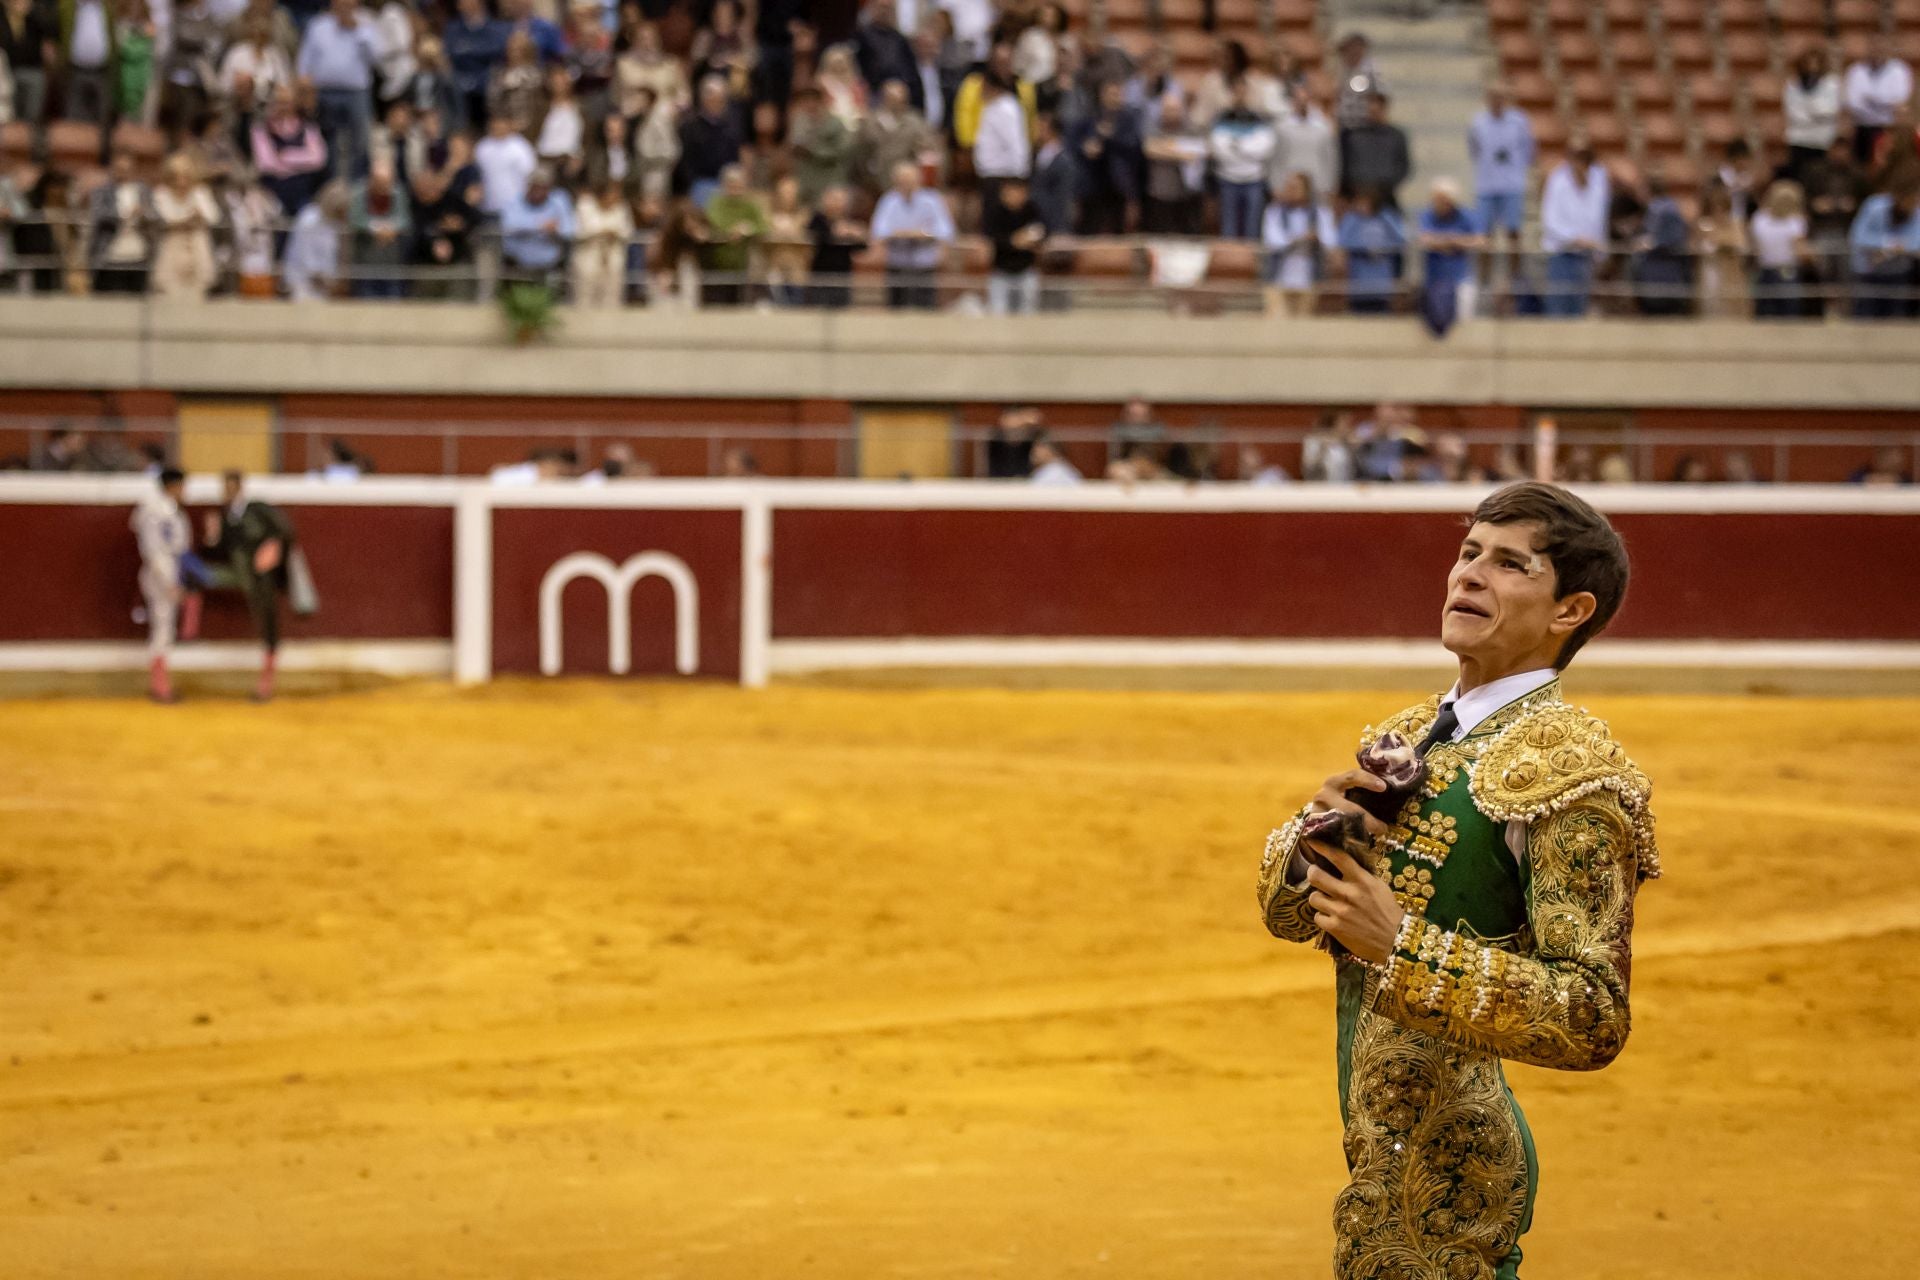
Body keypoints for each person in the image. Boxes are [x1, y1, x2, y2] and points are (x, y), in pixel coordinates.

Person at [1257, 480, 1657, 1280]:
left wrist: (1400, 945)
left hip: (1459, 1173)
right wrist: (1315, 842)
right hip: (1378, 1142)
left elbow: (1593, 1016)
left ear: (1569, 611)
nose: (1468, 575)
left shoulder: (1575, 773)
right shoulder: (1408, 736)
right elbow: (1290, 917)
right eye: (1469, 552)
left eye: (1510, 564)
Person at [203, 469, 297, 702]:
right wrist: (212, 538)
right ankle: (266, 681)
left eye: (231, 487)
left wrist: (271, 551)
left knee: (268, 621)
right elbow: (218, 550)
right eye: (225, 487)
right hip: (241, 575)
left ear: (240, 487)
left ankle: (266, 683)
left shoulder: (257, 508)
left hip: (262, 577)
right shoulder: (225, 517)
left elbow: (285, 531)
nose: (227, 492)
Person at [131, 466, 209, 703]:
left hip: (167, 572)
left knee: (164, 629)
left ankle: (161, 684)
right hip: (161, 575)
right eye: (183, 486)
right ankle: (160, 687)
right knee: (163, 630)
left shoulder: (165, 510)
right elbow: (155, 552)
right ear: (173, 486)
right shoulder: (156, 511)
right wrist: (171, 582)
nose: (185, 491)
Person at [297, 0, 381, 181]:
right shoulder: (318, 25)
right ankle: (329, 184)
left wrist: (357, 30)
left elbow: (376, 59)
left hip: (356, 92)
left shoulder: (367, 24)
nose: (345, 5)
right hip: (325, 92)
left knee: (360, 140)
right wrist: (305, 85)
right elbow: (305, 60)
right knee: (327, 141)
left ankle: (356, 184)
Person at [1468, 83, 1533, 291]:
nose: (1497, 101)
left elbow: (1528, 151)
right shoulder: (1478, 123)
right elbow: (1475, 151)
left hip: (1512, 184)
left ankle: (1516, 278)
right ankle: (1483, 281)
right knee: (1484, 235)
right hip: (1487, 185)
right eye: (1493, 97)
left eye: (1501, 97)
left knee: (1513, 232)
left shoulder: (1519, 122)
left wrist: (1515, 172)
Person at [869, 158, 952, 308]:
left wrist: (922, 234)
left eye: (910, 180)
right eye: (902, 180)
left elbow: (944, 230)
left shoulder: (932, 200)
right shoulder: (889, 201)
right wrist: (902, 234)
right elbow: (879, 230)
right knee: (896, 308)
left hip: (924, 264)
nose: (906, 184)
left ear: (918, 180)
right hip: (897, 263)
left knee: (924, 309)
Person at [1538, 146, 1609, 317]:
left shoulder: (1599, 180)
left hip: (1587, 256)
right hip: (1562, 254)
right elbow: (1550, 221)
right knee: (1558, 309)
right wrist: (1575, 238)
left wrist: (1600, 251)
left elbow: (1600, 218)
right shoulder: (1558, 180)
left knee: (1579, 310)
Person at [1071, 77, 1142, 235]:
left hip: (1119, 184)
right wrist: (1086, 148)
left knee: (1118, 231)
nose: (1115, 98)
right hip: (1092, 183)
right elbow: (1073, 143)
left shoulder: (1129, 118)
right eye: (1111, 94)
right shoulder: (1089, 117)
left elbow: (1134, 146)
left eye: (1118, 94)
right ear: (1102, 95)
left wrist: (1109, 137)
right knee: (1089, 229)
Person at [1210, 76, 1276, 239]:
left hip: (1254, 179)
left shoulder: (1258, 119)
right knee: (1229, 229)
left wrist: (1237, 146)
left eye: (1243, 91)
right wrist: (1247, 147)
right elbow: (1219, 149)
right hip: (1228, 179)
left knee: (1252, 230)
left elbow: (1264, 148)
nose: (1240, 95)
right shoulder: (1222, 118)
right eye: (1236, 91)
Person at [150, 153, 222, 300]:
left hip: (197, 247)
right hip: (171, 247)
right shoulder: (161, 194)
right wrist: (187, 220)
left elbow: (214, 217)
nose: (181, 181)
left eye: (185, 176)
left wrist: (199, 217)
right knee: (169, 294)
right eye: (176, 176)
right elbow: (162, 219)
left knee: (197, 295)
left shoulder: (201, 193)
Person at [1261, 170, 1332, 316]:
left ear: (1306, 190)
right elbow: (1273, 241)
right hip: (1278, 276)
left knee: (1304, 324)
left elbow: (1330, 241)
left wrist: (1317, 238)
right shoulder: (1275, 211)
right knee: (1276, 321)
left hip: (1309, 276)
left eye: (1294, 187)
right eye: (1287, 186)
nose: (1289, 191)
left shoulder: (1320, 212)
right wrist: (1300, 238)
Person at [1416, 177, 1483, 332]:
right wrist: (1455, 242)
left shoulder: (1466, 215)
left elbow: (1480, 241)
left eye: (1442, 199)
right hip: (1435, 280)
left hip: (1461, 278)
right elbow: (1424, 239)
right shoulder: (1427, 215)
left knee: (1464, 322)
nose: (1438, 203)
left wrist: (1447, 242)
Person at [1848, 179, 1920, 319]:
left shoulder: (1917, 211)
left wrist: (1887, 252)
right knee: (1865, 318)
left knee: (1896, 320)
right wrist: (1888, 245)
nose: (1913, 203)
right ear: (1898, 197)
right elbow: (1857, 236)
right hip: (1868, 273)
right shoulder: (1874, 205)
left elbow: (1916, 243)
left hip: (1899, 275)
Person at [700, 162, 767, 305]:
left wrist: (747, 229)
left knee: (737, 306)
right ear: (725, 185)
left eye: (739, 185)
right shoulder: (716, 202)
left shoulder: (750, 205)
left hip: (741, 266)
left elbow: (763, 226)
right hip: (716, 264)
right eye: (732, 185)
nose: (736, 190)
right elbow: (712, 223)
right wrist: (731, 230)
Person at [1843, 35, 1913, 166]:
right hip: (1862, 127)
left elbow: (1900, 100)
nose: (1877, 51)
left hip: (1887, 128)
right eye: (1873, 48)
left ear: (1888, 49)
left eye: (1881, 48)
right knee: (1861, 166)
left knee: (1885, 165)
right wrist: (1884, 102)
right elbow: (1853, 102)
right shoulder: (1856, 70)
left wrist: (1872, 100)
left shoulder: (1899, 70)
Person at [500, 164, 575, 283]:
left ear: (549, 187)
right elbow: (508, 225)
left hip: (551, 267)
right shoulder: (515, 200)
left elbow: (570, 230)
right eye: (535, 186)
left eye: (543, 187)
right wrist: (539, 226)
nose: (538, 191)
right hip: (517, 266)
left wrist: (557, 229)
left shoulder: (560, 200)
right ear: (528, 186)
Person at [348, 154, 410, 298]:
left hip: (392, 260)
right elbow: (354, 220)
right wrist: (376, 229)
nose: (384, 187)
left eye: (387, 182)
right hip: (365, 259)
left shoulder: (398, 192)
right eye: (380, 182)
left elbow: (404, 219)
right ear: (372, 179)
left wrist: (392, 229)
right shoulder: (359, 193)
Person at [983, 172, 1045, 314]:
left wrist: (1026, 241)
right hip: (1001, 272)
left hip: (1026, 271)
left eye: (1018, 192)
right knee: (998, 313)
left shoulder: (1032, 210)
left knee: (1028, 313)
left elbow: (1040, 233)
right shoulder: (995, 212)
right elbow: (993, 239)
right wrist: (1014, 241)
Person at [1749, 179, 1812, 319]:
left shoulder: (1759, 218)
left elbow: (1755, 246)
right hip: (1786, 272)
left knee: (1765, 314)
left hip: (1765, 271)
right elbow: (1802, 251)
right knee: (1789, 314)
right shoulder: (1795, 222)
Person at [1337, 185, 1404, 314]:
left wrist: (1382, 249)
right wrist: (1365, 249)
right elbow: (1343, 241)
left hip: (1382, 279)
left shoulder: (1386, 216)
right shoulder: (1352, 219)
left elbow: (1400, 239)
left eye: (1365, 203)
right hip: (1359, 277)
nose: (1361, 206)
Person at [1340, 91, 1409, 209]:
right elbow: (1345, 165)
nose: (1373, 111)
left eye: (1377, 108)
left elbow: (1404, 166)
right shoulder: (1354, 135)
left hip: (1386, 197)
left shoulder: (1396, 136)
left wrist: (1384, 186)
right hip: (1357, 198)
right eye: (1370, 107)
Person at [1784, 46, 1841, 183]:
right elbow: (1794, 113)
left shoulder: (1831, 84)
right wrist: (1816, 113)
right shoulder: (1792, 85)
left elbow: (1830, 110)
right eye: (1808, 63)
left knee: (1819, 179)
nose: (1812, 67)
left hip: (1822, 141)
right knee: (1799, 180)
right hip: (1799, 140)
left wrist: (1810, 110)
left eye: (1815, 63)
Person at [572, 175, 632, 306]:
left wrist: (613, 232)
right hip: (589, 254)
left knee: (612, 295)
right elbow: (579, 231)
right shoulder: (585, 205)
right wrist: (602, 230)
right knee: (585, 295)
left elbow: (627, 231)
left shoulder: (621, 207)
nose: (616, 196)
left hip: (613, 254)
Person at [283, 180, 349, 300]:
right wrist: (321, 277)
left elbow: (332, 254)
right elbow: (304, 255)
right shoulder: (309, 219)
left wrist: (333, 280)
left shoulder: (333, 223)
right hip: (302, 282)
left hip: (324, 285)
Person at [806, 183, 865, 307]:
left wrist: (854, 234)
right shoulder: (818, 220)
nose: (838, 204)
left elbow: (862, 246)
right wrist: (837, 232)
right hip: (821, 277)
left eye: (841, 200)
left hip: (843, 277)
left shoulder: (848, 222)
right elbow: (820, 238)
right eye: (835, 199)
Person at [1333, 31, 1384, 131]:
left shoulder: (1371, 71)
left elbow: (1379, 97)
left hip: (1363, 125)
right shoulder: (1341, 70)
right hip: (1343, 124)